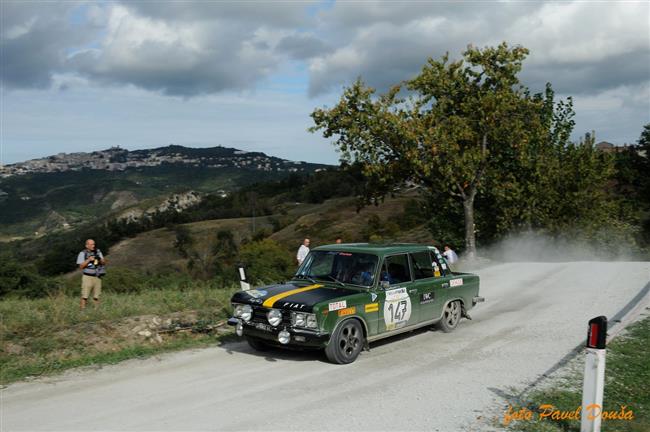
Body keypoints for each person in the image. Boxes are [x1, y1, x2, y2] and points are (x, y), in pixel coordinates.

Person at [76, 239, 106, 309]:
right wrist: (89, 260)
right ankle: (82, 310)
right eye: (92, 244)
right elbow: (81, 266)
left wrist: (100, 259)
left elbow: (104, 263)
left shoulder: (98, 251)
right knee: (85, 295)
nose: (93, 246)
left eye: (94, 244)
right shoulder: (82, 253)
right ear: (87, 245)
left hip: (97, 276)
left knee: (97, 296)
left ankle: (97, 310)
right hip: (87, 277)